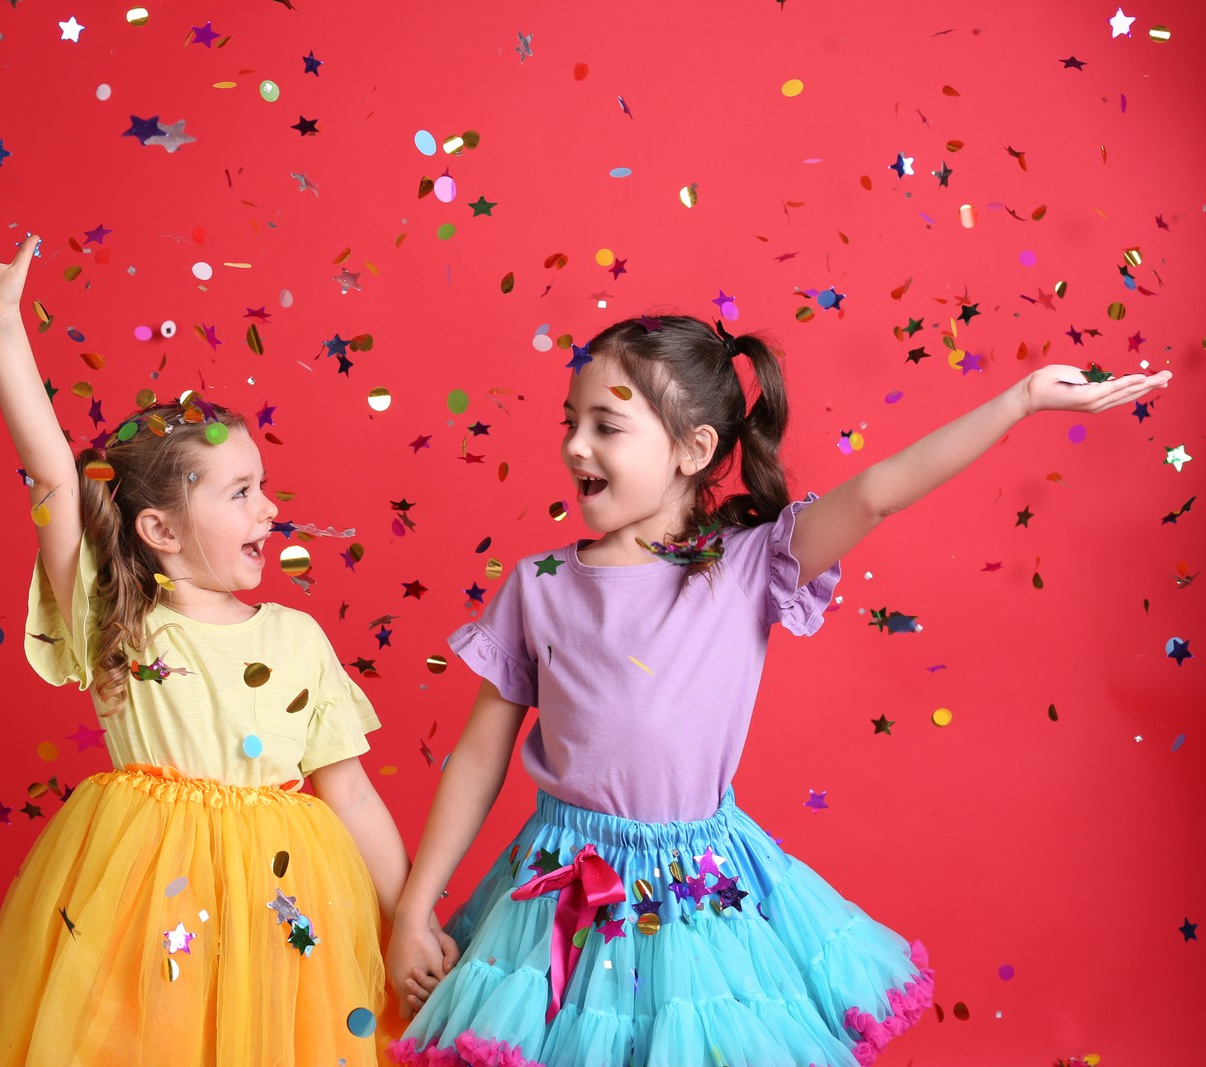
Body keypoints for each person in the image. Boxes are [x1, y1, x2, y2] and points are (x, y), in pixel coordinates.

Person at [384, 315, 1170, 1067]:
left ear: (694, 449)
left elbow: (878, 492)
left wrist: (1021, 399)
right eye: (571, 420)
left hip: (695, 898)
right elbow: (479, 755)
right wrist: (415, 910)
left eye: (606, 425)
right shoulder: (540, 584)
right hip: (557, 898)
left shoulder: (748, 563)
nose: (574, 444)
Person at [0, 211, 457, 1066]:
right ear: (158, 527)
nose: (268, 508)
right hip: (147, 910)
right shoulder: (117, 619)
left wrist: (408, 919)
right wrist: (5, 327)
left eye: (262, 487)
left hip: (284, 921)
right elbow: (54, 470)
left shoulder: (299, 637)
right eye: (239, 491)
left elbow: (349, 796)